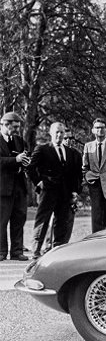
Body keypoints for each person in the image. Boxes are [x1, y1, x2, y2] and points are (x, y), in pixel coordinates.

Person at [26, 122, 82, 259]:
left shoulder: (72, 153)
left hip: (66, 192)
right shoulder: (43, 149)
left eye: (62, 132)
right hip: (48, 191)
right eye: (56, 132)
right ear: (51, 133)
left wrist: (75, 191)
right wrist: (39, 182)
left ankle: (58, 251)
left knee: (62, 222)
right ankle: (36, 251)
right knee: (42, 220)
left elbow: (77, 174)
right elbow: (30, 168)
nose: (59, 135)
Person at [0, 111, 30, 261]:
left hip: (19, 187)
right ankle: (1, 252)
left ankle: (17, 251)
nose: (17, 130)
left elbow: (25, 155)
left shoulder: (19, 140)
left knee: (19, 219)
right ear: (5, 125)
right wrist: (15, 160)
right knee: (1, 221)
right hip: (3, 188)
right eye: (15, 127)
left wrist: (25, 161)